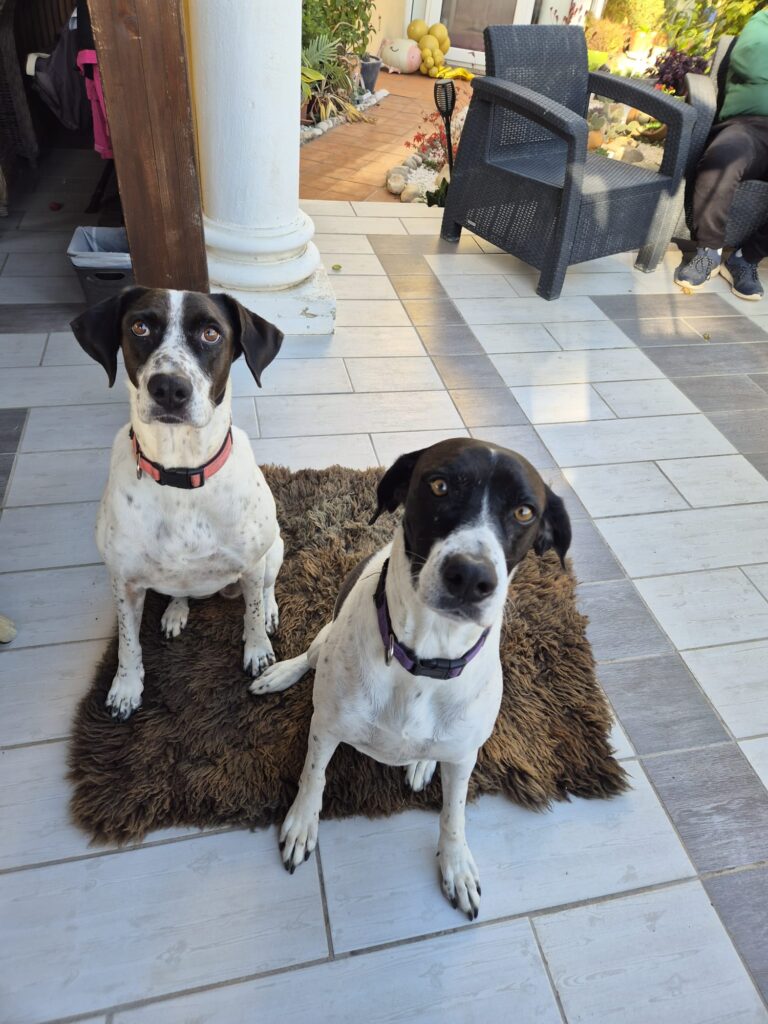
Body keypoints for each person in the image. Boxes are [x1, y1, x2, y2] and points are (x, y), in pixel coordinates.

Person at [675, 5, 768, 300]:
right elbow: (752, 60)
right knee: (723, 159)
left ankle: (746, 258)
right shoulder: (763, 20)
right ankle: (709, 251)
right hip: (749, 126)